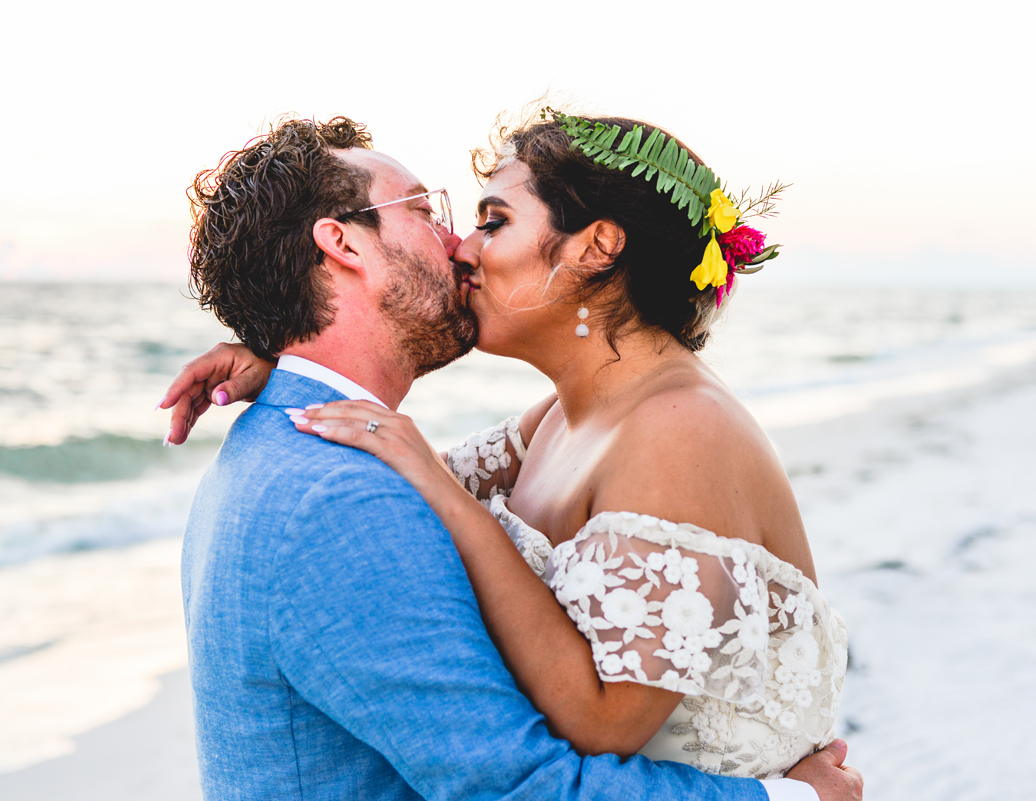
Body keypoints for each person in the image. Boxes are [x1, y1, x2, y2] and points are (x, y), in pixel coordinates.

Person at [163, 113, 862, 801]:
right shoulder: (534, 429)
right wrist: (280, 360)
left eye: (491, 221)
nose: (460, 245)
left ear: (596, 248)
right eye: (425, 211)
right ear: (341, 244)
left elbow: (429, 490)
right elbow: (411, 481)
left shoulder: (680, 429)